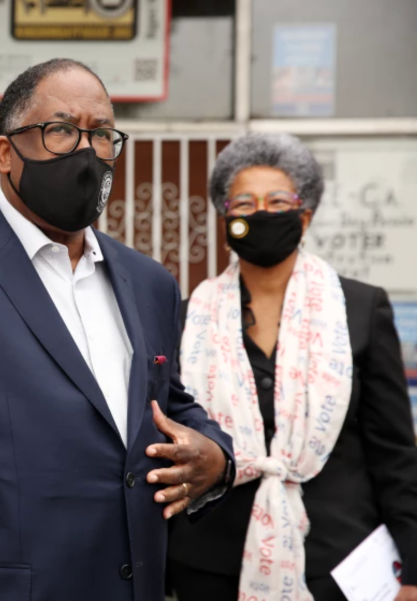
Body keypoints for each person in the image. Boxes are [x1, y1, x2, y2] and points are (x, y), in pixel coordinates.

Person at [0, 58, 234, 600]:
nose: (86, 150)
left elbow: (165, 405)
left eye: (101, 134)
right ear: (5, 153)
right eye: (61, 130)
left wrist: (216, 456)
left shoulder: (150, 283)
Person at [168, 133, 417, 601]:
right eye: (245, 203)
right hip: (209, 561)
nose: (262, 213)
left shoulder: (360, 309)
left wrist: (413, 569)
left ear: (306, 214)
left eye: (278, 201)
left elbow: (394, 453)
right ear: (225, 216)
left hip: (338, 562)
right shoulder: (186, 319)